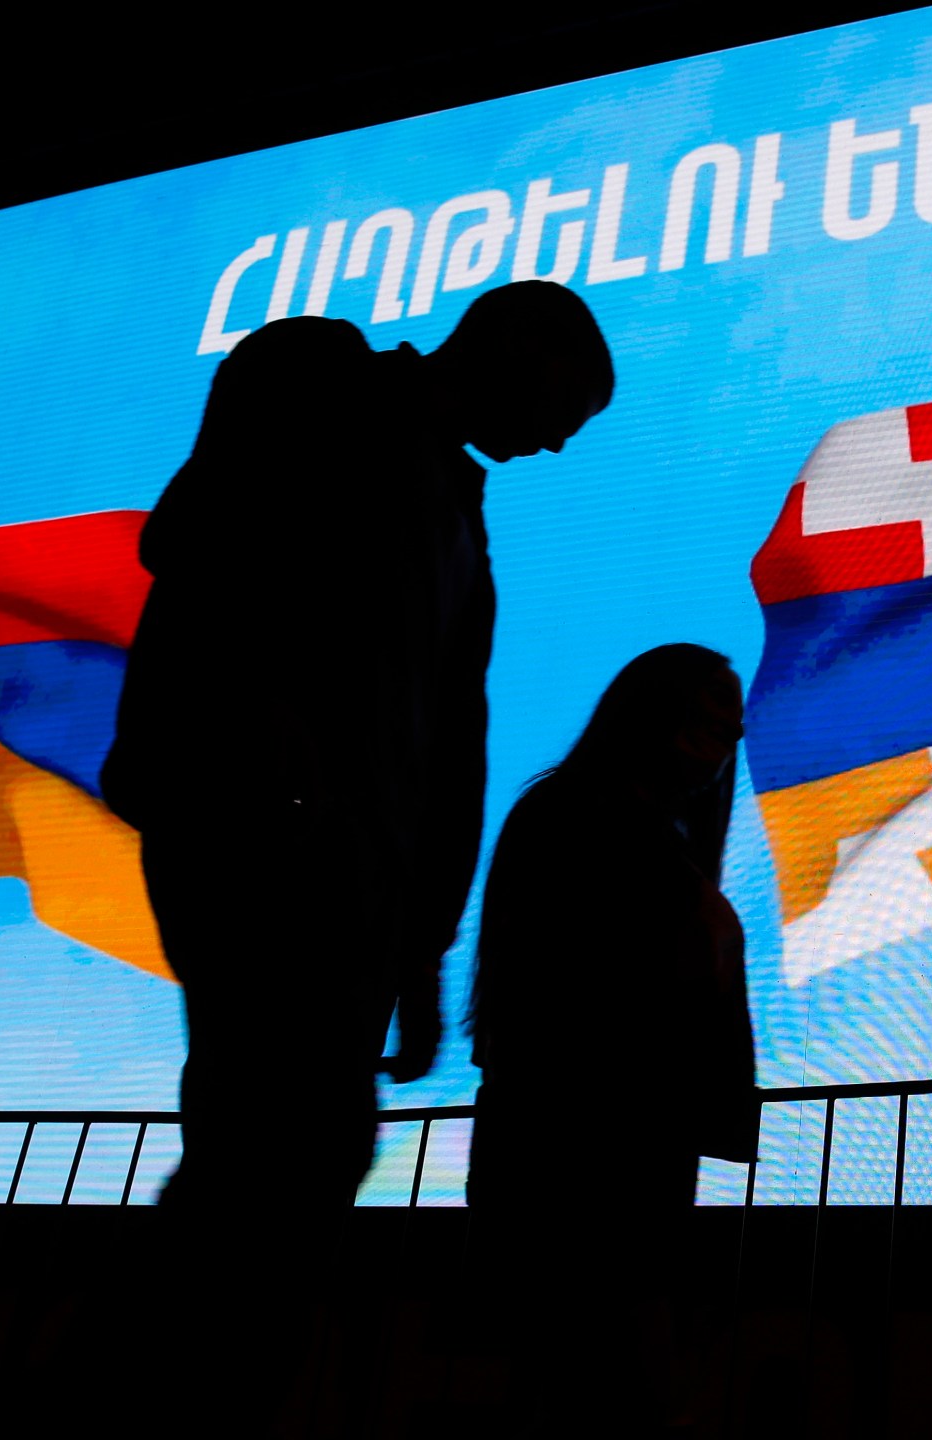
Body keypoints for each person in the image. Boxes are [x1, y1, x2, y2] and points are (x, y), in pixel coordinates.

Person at [101, 279, 615, 1221]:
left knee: (304, 1146)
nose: (555, 442)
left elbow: (452, 741)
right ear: (519, 342)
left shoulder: (466, 521)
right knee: (273, 1141)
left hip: (356, 880)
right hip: (250, 819)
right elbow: (196, 536)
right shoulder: (315, 369)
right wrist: (266, 740)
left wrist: (419, 948)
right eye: (565, 409)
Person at [466, 643, 759, 1431]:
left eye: (729, 731)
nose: (716, 746)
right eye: (700, 721)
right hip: (581, 1153)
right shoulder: (579, 819)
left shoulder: (613, 827)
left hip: (622, 1158)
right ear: (649, 713)